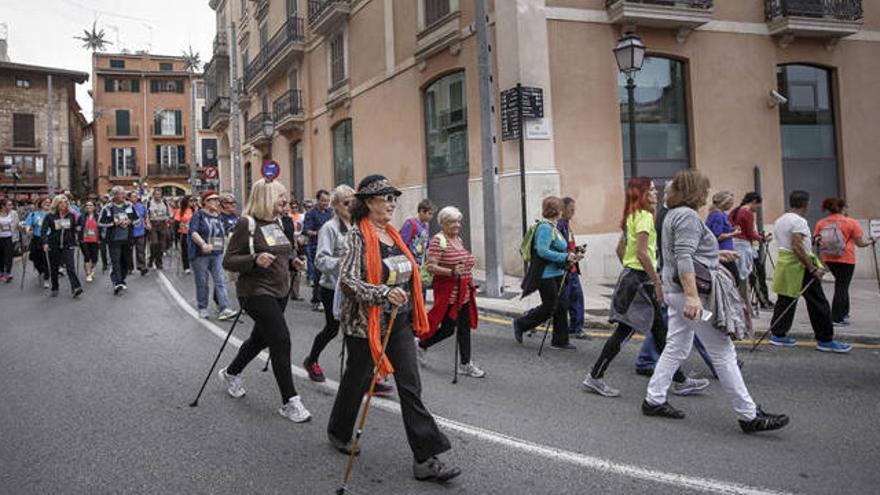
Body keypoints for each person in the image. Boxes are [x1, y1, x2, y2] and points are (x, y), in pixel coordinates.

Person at [328, 175, 460, 483]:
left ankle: (425, 459)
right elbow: (347, 282)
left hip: (397, 322)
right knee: (356, 380)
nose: (392, 203)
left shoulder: (393, 235)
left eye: (393, 198)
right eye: (386, 197)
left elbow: (407, 272)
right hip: (365, 326)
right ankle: (338, 431)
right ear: (368, 202)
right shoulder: (356, 237)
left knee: (410, 386)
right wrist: (382, 293)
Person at [642, 170, 789, 433]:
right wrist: (692, 297)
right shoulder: (686, 216)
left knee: (676, 345)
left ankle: (654, 399)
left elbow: (681, 253)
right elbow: (684, 257)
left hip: (675, 291)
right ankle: (748, 415)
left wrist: (715, 255)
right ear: (695, 192)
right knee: (722, 351)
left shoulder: (672, 215)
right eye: (705, 190)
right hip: (688, 293)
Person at [582, 178, 708, 398]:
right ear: (640, 194)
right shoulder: (644, 218)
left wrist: (630, 272)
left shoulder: (634, 216)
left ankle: (679, 381)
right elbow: (641, 253)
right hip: (639, 282)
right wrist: (656, 281)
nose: (655, 192)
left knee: (659, 331)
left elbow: (621, 250)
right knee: (625, 331)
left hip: (636, 279)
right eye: (650, 190)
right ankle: (595, 377)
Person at [219, 179, 311, 423]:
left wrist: (294, 261)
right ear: (266, 197)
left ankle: (231, 372)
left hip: (280, 290)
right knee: (280, 339)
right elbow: (228, 260)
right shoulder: (246, 223)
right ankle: (290, 401)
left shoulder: (279, 222)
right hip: (254, 291)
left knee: (259, 340)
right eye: (280, 196)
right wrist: (255, 258)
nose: (285, 200)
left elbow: (285, 250)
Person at [769, 191, 852, 353]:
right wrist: (812, 267)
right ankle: (825, 339)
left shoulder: (780, 220)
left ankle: (778, 334)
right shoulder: (799, 221)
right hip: (800, 265)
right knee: (818, 302)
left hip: (786, 264)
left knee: (785, 298)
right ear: (806, 203)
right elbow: (797, 246)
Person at [418, 206, 485, 378]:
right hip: (449, 294)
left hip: (464, 292)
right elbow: (430, 266)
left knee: (464, 328)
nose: (457, 225)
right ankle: (422, 344)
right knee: (447, 329)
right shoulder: (437, 241)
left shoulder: (458, 239)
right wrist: (452, 272)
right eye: (452, 222)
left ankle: (465, 363)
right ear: (442, 223)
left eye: (458, 221)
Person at [303, 185, 358, 382]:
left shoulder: (358, 225)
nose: (351, 205)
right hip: (332, 288)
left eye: (353, 201)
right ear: (335, 205)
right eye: (346, 202)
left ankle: (360, 373)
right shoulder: (329, 228)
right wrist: (343, 263)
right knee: (332, 329)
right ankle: (311, 360)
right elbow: (320, 260)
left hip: (355, 287)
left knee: (357, 329)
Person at [513, 197, 582, 351]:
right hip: (546, 275)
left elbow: (559, 249)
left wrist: (572, 255)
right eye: (561, 208)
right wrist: (564, 257)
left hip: (557, 272)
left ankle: (560, 341)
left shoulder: (554, 227)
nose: (563, 211)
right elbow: (542, 251)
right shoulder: (544, 227)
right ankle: (521, 323)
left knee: (562, 306)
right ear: (558, 211)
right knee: (550, 307)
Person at [814, 198, 876, 326]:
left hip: (829, 258)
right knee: (842, 286)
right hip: (846, 258)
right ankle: (837, 317)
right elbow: (860, 243)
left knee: (841, 284)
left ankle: (844, 312)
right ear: (842, 208)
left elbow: (816, 241)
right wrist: (871, 241)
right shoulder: (851, 222)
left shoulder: (821, 223)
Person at [188, 191, 237, 321]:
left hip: (217, 253)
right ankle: (203, 307)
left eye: (217, 200)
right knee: (202, 282)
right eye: (213, 200)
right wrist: (203, 244)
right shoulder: (198, 215)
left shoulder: (219, 217)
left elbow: (227, 231)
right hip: (200, 254)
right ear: (205, 202)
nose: (216, 202)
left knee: (220, 280)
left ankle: (224, 308)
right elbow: (193, 232)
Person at [730, 193, 772, 309]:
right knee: (754, 275)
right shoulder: (747, 212)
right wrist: (763, 238)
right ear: (753, 201)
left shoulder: (735, 211)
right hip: (744, 247)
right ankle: (761, 302)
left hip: (734, 245)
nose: (757, 209)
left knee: (738, 276)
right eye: (757, 206)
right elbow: (750, 233)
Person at [98, 186, 139, 295]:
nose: (122, 196)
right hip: (113, 239)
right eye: (120, 194)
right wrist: (113, 223)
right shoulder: (107, 208)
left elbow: (137, 220)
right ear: (115, 195)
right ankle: (117, 282)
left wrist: (129, 222)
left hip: (127, 238)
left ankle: (122, 279)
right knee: (115, 260)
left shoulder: (129, 206)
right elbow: (100, 222)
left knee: (125, 260)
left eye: (123, 194)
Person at [42, 195, 83, 298]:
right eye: (60, 203)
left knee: (70, 267)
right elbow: (44, 231)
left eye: (65, 202)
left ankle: (76, 287)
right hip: (54, 244)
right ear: (56, 204)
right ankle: (55, 287)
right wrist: (45, 243)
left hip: (67, 244)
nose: (63, 205)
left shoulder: (71, 215)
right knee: (54, 267)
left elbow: (74, 229)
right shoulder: (50, 216)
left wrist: (77, 237)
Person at [559, 197, 587, 339]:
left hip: (573, 270)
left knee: (577, 299)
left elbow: (568, 247)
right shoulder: (560, 226)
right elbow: (559, 249)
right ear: (562, 210)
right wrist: (572, 255)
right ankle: (527, 321)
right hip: (566, 270)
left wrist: (577, 250)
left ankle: (576, 328)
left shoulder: (567, 225)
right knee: (557, 305)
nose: (573, 213)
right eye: (571, 210)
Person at [303, 190, 333, 312]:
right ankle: (317, 299)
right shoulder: (311, 213)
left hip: (330, 246)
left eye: (327, 200)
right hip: (316, 246)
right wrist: (319, 233)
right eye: (323, 200)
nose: (326, 203)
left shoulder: (330, 212)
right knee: (319, 273)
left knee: (329, 274)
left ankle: (327, 299)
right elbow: (306, 230)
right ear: (318, 200)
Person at [400, 199, 436, 296]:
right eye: (429, 214)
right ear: (421, 211)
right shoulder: (410, 224)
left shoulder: (426, 226)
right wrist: (410, 262)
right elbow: (401, 245)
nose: (431, 217)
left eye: (432, 214)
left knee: (420, 294)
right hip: (411, 266)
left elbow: (426, 246)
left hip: (421, 267)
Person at [23, 197, 51, 288]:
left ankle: (46, 278)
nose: (47, 203)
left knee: (46, 259)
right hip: (37, 239)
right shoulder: (33, 214)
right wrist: (28, 229)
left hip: (48, 239)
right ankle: (41, 271)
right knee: (35, 258)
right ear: (40, 203)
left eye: (49, 202)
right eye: (45, 202)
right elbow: (27, 224)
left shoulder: (52, 214)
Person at [147, 189, 171, 270]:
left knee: (161, 245)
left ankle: (158, 262)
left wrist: (168, 219)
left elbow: (169, 213)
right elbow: (146, 214)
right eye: (156, 194)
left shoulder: (164, 202)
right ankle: (151, 259)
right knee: (154, 243)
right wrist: (148, 223)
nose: (158, 196)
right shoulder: (149, 203)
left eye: (159, 194)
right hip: (153, 224)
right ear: (153, 195)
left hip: (162, 224)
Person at [77, 201, 101, 283]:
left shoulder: (98, 216)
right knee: (87, 256)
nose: (88, 207)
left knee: (94, 258)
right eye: (87, 205)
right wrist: (78, 229)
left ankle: (89, 269)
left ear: (94, 207)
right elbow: (77, 225)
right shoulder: (82, 216)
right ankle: (88, 273)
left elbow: (101, 227)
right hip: (84, 239)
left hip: (95, 239)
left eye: (90, 205)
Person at [128, 191, 149, 276]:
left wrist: (148, 224)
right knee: (129, 251)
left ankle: (142, 267)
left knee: (141, 250)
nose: (135, 198)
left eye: (136, 196)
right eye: (133, 196)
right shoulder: (127, 207)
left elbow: (146, 217)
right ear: (129, 198)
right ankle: (129, 267)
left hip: (140, 231)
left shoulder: (142, 207)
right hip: (129, 232)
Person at [0, 199, 19, 283]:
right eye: (9, 205)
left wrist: (23, 227)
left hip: (10, 237)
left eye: (11, 205)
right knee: (1, 256)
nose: (11, 206)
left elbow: (17, 224)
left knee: (9, 256)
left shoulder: (13, 213)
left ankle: (8, 273)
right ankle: (1, 272)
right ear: (3, 206)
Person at [175, 196, 195, 274]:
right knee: (185, 251)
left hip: (193, 233)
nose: (192, 202)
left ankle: (194, 264)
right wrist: (180, 226)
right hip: (183, 232)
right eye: (190, 201)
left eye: (193, 201)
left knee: (193, 250)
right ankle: (186, 267)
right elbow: (176, 222)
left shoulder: (194, 210)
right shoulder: (180, 211)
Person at [98, 194, 111, 272]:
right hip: (100, 230)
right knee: (103, 249)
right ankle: (104, 264)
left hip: (109, 229)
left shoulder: (110, 207)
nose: (104, 199)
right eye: (103, 198)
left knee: (110, 247)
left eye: (106, 198)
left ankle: (111, 262)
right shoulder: (97, 207)